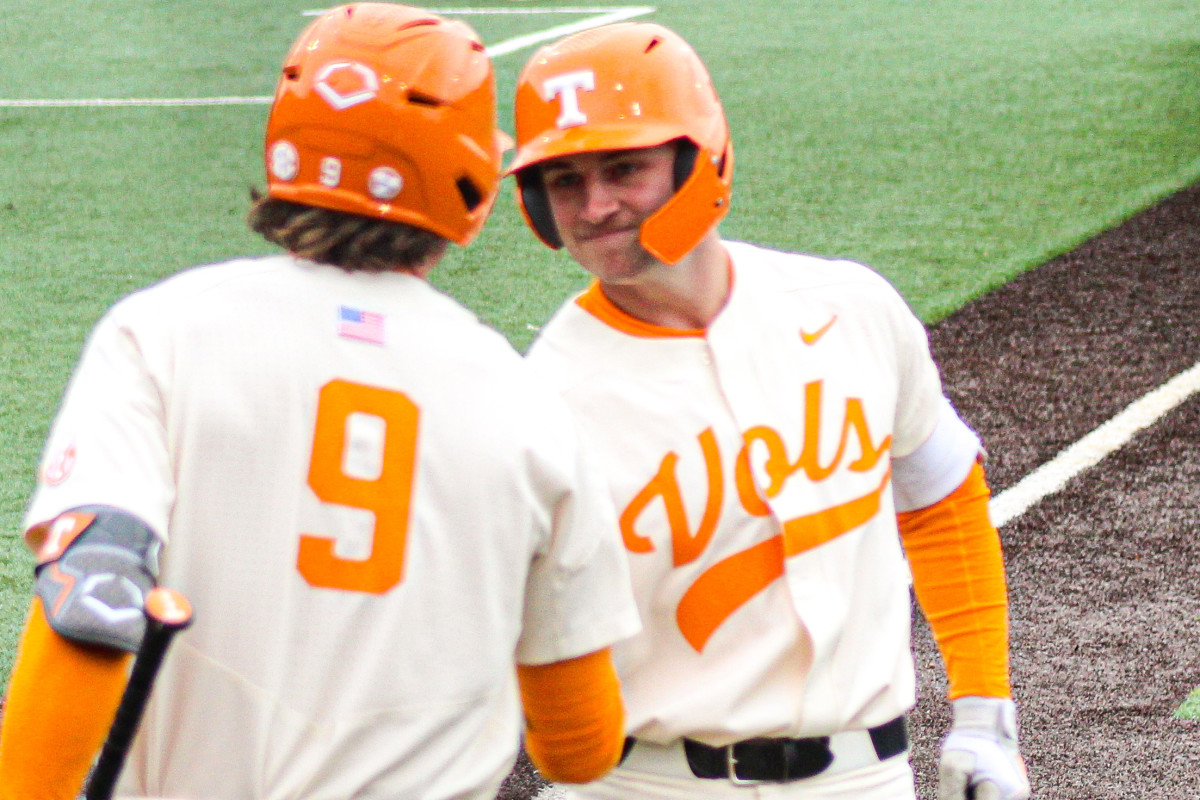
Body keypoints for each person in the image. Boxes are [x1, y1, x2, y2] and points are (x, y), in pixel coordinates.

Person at [0, 5, 640, 799]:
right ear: (471, 176)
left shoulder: (161, 332)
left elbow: (91, 603)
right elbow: (578, 743)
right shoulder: (525, 399)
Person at [505, 20, 1031, 800]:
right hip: (650, 787)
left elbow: (942, 495)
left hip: (866, 780)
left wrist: (985, 714)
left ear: (701, 158)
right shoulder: (541, 401)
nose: (596, 205)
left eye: (624, 168)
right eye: (564, 182)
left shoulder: (851, 308)